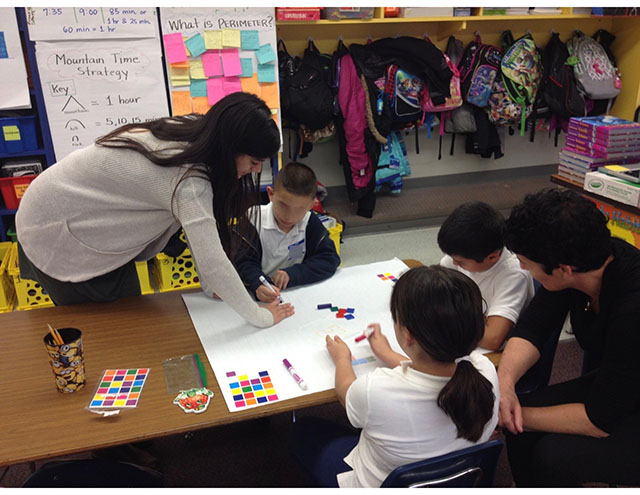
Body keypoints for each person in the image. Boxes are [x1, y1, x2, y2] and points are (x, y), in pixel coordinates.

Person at [15, 92, 294, 328]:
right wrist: (260, 317)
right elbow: (212, 260)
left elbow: (199, 230)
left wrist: (213, 287)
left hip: (68, 212)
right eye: (255, 161)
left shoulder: (199, 131)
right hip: (58, 233)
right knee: (118, 330)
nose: (256, 170)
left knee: (132, 320)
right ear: (230, 147)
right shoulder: (188, 180)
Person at [289, 265, 500, 488]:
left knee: (304, 430)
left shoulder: (376, 391)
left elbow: (345, 393)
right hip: (459, 477)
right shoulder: (484, 370)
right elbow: (433, 376)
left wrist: (342, 359)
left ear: (407, 335)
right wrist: (388, 354)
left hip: (380, 482)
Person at [498, 188, 640, 487]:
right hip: (621, 379)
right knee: (521, 425)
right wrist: (505, 384)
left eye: (525, 261)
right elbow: (533, 327)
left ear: (563, 270)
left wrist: (507, 415)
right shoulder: (584, 263)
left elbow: (599, 421)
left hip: (623, 394)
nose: (522, 267)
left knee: (554, 455)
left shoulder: (632, 308)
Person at [234, 161, 340, 302]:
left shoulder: (309, 221)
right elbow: (243, 262)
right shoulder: (253, 219)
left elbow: (330, 259)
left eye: (299, 209)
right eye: (283, 205)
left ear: (311, 205)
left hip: (296, 295)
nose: (289, 216)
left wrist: (292, 274)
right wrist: (257, 284)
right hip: (257, 295)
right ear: (271, 194)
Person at [438, 201, 535, 350]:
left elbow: (492, 339)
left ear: (492, 257)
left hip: (495, 354)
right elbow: (437, 289)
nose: (455, 264)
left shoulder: (513, 275)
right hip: (468, 336)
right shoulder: (462, 256)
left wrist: (445, 319)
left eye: (461, 263)